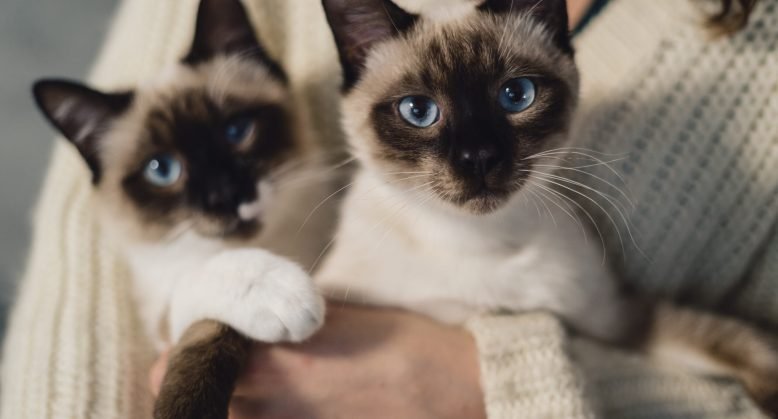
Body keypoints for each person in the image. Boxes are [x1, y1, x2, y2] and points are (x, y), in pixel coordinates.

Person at [2, 0, 776, 418]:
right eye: (417, 114)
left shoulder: (569, 237)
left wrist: (481, 387)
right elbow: (95, 277)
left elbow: (640, 327)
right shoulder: (347, 238)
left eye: (515, 97)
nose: (476, 156)